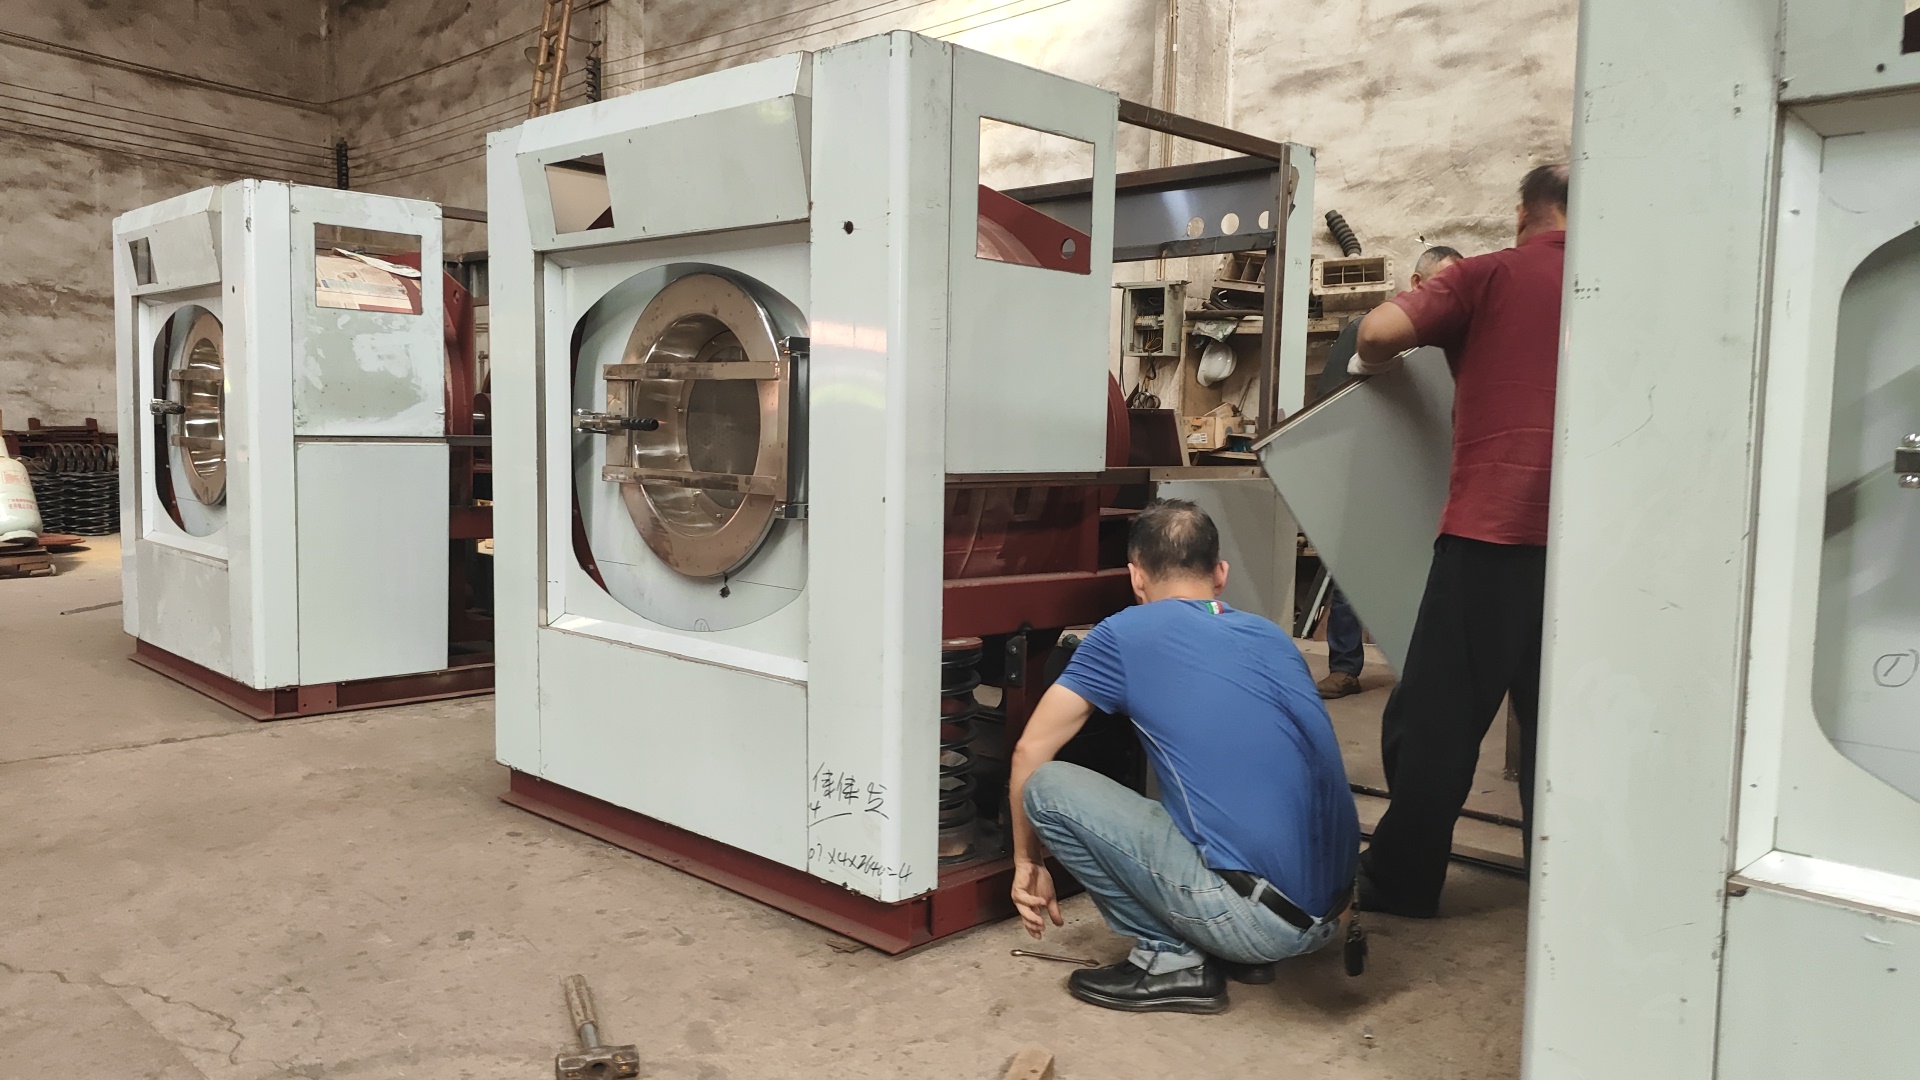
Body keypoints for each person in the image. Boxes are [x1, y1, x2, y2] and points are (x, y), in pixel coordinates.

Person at [1006, 499, 1360, 1014]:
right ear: (1220, 574)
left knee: (1048, 787)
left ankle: (1170, 960)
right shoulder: (1272, 635)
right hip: (1332, 913)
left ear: (1136, 577)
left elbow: (1029, 750)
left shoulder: (1121, 634)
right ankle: (1238, 942)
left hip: (1262, 923)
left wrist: (1027, 861)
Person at [1345, 164, 1568, 917]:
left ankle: (1403, 879)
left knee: (1435, 723)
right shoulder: (1620, 286)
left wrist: (1372, 363)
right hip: (1586, 546)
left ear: (1523, 213)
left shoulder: (1489, 274)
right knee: (1558, 728)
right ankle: (1562, 896)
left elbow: (1378, 332)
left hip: (1492, 533)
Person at [1313, 246, 1463, 700]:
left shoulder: (1458, 338)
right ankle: (1345, 667)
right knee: (1350, 566)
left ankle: (1430, 667)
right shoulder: (1371, 330)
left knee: (1435, 570)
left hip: (1432, 468)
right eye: (1442, 283)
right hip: (1370, 468)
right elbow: (1331, 406)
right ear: (1417, 284)